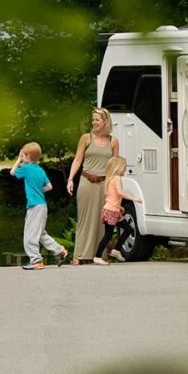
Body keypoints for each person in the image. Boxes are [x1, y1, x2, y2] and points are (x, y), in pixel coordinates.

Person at [66, 108, 120, 265]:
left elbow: (115, 167)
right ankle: (79, 255)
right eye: (93, 119)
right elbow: (77, 160)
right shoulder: (86, 138)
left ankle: (100, 254)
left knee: (102, 222)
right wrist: (70, 179)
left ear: (105, 121)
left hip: (105, 185)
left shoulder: (113, 141)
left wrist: (116, 190)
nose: (94, 122)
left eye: (97, 119)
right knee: (84, 219)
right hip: (86, 182)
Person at [10, 142, 68, 270]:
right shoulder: (40, 170)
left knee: (29, 235)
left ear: (27, 156)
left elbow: (12, 172)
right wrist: (38, 190)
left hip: (34, 206)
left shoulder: (26, 168)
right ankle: (60, 251)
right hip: (42, 206)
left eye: (23, 155)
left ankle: (36, 260)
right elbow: (49, 187)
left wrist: (18, 160)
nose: (22, 157)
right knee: (40, 233)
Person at [93, 156, 141, 266]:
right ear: (118, 167)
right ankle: (97, 257)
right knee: (108, 235)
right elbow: (120, 192)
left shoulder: (111, 178)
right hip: (111, 211)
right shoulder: (117, 178)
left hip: (113, 210)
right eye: (124, 167)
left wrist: (119, 207)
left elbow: (112, 196)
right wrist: (133, 198)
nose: (125, 169)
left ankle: (116, 250)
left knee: (128, 228)